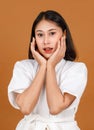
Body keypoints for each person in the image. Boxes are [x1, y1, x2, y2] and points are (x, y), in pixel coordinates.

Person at [8, 10, 88, 130]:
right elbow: (25, 108)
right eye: (40, 35)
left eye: (52, 33)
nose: (46, 41)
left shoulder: (76, 69)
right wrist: (42, 67)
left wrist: (50, 66)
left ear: (64, 35)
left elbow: (55, 107)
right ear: (34, 39)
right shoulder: (23, 67)